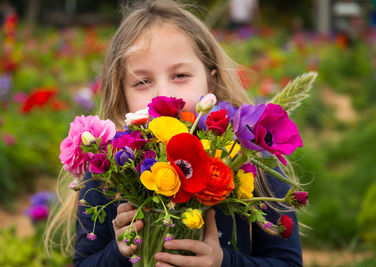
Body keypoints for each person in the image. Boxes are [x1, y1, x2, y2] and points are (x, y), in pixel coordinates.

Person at [44, 1, 303, 266]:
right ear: (122, 95)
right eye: (142, 82)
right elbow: (84, 262)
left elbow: (288, 262)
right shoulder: (108, 170)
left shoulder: (248, 161)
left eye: (180, 75)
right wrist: (120, 252)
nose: (162, 94)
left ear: (211, 80)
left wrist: (223, 262)